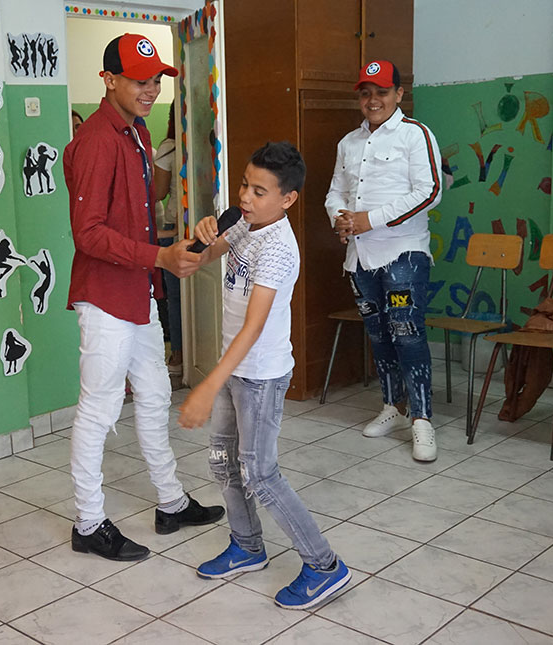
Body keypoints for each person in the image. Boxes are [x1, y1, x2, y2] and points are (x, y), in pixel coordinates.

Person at [64, 33, 224, 561]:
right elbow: (87, 233)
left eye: (156, 80)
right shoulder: (97, 140)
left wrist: (167, 254)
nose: (151, 89)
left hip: (139, 293)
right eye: (139, 80)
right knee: (99, 409)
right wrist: (159, 257)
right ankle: (88, 523)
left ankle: (171, 502)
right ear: (109, 80)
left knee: (154, 397)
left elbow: (137, 208)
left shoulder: (136, 131)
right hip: (105, 297)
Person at [179, 142, 351, 610]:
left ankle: (324, 566)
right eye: (244, 185)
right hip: (235, 370)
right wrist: (202, 236)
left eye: (259, 191)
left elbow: (253, 328)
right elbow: (196, 262)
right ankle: (247, 545)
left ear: (287, 198)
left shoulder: (277, 248)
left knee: (260, 473)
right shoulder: (243, 223)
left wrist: (207, 385)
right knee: (222, 461)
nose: (246, 197)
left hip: (259, 376)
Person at [324, 60, 443, 462]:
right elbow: (335, 193)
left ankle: (422, 419)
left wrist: (369, 220)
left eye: (382, 92)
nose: (373, 100)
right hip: (360, 257)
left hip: (402, 253)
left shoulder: (415, 134)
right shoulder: (348, 143)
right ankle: (393, 405)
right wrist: (340, 219)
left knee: (407, 333)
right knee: (378, 334)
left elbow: (430, 191)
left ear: (398, 94)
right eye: (366, 93)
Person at [153, 106, 183, 375]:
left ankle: (178, 355)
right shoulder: (211, 142)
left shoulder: (169, 147)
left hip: (176, 224)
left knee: (175, 295)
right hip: (204, 222)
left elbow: (158, 192)